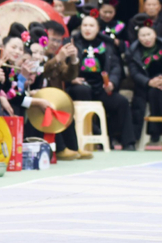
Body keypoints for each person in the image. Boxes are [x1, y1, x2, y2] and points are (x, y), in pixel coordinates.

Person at [68, 14, 136, 150]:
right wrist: (71, 78)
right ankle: (98, 135)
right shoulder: (72, 42)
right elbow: (64, 66)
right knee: (83, 91)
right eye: (85, 25)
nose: (87, 29)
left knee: (121, 102)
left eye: (91, 25)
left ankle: (128, 142)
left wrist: (112, 83)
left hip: (101, 87)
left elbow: (116, 67)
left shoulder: (107, 43)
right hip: (80, 86)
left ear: (98, 28)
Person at [127, 13, 162, 149]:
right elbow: (134, 73)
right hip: (145, 86)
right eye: (142, 35)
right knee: (152, 94)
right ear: (138, 37)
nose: (146, 38)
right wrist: (149, 82)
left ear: (155, 34)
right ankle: (153, 132)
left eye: (149, 34)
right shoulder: (133, 52)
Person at [40, 20, 91, 160]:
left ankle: (73, 147)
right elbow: (42, 71)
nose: (55, 44)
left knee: (66, 109)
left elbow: (69, 75)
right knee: (54, 109)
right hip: (40, 98)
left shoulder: (55, 57)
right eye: (52, 39)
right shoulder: (37, 54)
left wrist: (73, 59)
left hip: (55, 97)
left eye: (58, 41)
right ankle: (60, 148)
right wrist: (58, 58)